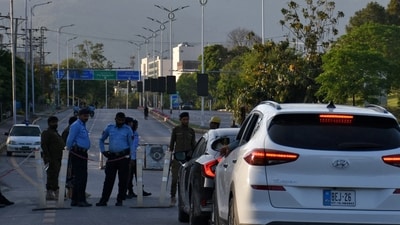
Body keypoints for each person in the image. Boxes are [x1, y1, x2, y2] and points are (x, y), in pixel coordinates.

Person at [96, 112, 133, 207]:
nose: (120, 122)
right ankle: (104, 200)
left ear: (124, 120)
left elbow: (131, 145)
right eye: (118, 120)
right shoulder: (110, 128)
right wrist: (103, 151)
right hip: (112, 157)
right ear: (115, 119)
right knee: (108, 180)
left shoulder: (128, 130)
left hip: (123, 157)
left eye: (122, 120)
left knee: (123, 180)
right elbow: (101, 140)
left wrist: (132, 158)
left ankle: (120, 199)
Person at [66, 108, 92, 207]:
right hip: (77, 153)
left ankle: (75, 199)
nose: (87, 118)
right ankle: (81, 200)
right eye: (85, 116)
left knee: (79, 177)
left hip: (82, 153)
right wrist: (69, 151)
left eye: (88, 116)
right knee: (81, 177)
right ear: (80, 115)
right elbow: (70, 140)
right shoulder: (76, 125)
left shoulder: (82, 125)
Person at [169, 112, 196, 206]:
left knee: (186, 180)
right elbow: (172, 144)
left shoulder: (191, 131)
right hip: (177, 157)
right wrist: (170, 157)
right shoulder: (176, 130)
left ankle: (185, 199)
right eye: (184, 119)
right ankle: (173, 197)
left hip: (187, 159)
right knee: (175, 179)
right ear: (180, 120)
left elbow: (194, 146)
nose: (186, 121)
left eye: (187, 119)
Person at [125, 117, 151, 198]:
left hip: (136, 157)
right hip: (129, 157)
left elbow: (135, 145)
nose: (136, 126)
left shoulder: (135, 133)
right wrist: (132, 158)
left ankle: (140, 190)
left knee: (138, 175)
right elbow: (131, 146)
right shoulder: (128, 133)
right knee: (128, 176)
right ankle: (128, 191)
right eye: (134, 124)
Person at [41, 116, 65, 201]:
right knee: (52, 175)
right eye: (53, 122)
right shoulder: (47, 133)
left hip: (57, 157)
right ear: (49, 123)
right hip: (51, 158)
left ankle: (50, 193)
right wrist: (47, 157)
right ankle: (55, 191)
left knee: (55, 174)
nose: (55, 124)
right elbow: (44, 145)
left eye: (56, 122)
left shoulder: (55, 133)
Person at [61, 116, 78, 199]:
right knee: (69, 175)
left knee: (71, 175)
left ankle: (70, 192)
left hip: (72, 156)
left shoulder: (70, 131)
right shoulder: (67, 132)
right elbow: (64, 145)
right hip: (68, 156)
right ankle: (67, 193)